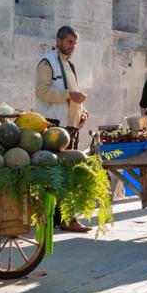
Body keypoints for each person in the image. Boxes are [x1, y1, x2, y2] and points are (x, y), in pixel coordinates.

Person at [35, 25, 91, 232]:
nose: (72, 46)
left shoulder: (69, 65)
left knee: (68, 174)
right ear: (58, 41)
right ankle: (65, 218)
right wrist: (70, 96)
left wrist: (81, 113)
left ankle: (63, 217)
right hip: (55, 127)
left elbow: (73, 95)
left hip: (70, 127)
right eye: (69, 42)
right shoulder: (47, 62)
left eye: (75, 43)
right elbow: (42, 92)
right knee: (60, 174)